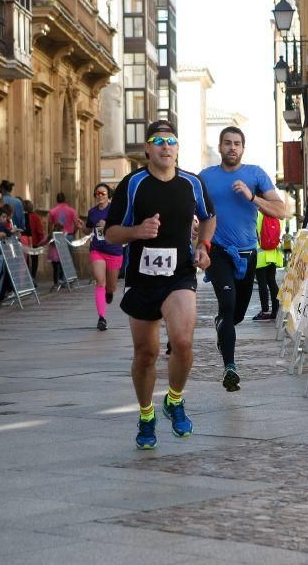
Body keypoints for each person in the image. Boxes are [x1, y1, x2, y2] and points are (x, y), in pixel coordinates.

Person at [105, 120, 215, 450]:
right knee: (146, 352)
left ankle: (175, 400)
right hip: (141, 279)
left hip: (180, 275)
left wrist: (203, 246)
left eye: (171, 140)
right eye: (158, 140)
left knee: (182, 341)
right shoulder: (133, 184)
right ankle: (146, 413)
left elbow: (209, 217)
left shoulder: (192, 183)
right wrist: (137, 231)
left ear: (178, 148)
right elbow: (110, 232)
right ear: (147, 150)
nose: (166, 146)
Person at [199, 126, 285, 392]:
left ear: (243, 148)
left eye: (237, 143)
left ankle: (223, 325)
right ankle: (230, 368)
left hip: (248, 254)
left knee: (235, 315)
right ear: (220, 146)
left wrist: (252, 197)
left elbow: (281, 210)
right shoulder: (205, 177)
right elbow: (192, 210)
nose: (232, 147)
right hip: (218, 252)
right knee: (227, 305)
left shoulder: (255, 174)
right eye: (227, 143)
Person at [84, 183, 123, 331]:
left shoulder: (115, 210)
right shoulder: (92, 212)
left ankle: (109, 292)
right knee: (100, 281)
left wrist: (108, 224)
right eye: (97, 193)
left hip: (114, 251)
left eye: (103, 193)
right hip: (97, 250)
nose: (100, 196)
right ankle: (101, 318)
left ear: (108, 195)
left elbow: (123, 226)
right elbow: (88, 229)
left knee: (111, 287)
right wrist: (81, 226)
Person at [252, 210, 284, 321]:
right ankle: (276, 310)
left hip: (261, 254)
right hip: (273, 253)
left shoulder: (257, 213)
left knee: (262, 283)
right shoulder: (275, 213)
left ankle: (265, 311)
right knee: (272, 281)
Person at [23, 200, 44, 280]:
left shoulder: (23, 216)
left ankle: (27, 277)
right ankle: (33, 277)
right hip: (35, 242)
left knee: (26, 260)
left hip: (25, 241)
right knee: (34, 261)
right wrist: (41, 241)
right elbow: (39, 230)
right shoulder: (35, 216)